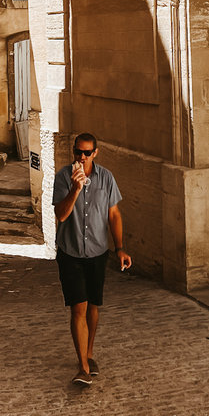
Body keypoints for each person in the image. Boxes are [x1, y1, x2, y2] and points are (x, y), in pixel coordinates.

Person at [52, 132, 131, 387]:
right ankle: (83, 367)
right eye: (78, 152)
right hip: (71, 252)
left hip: (97, 252)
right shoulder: (64, 177)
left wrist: (120, 248)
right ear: (74, 152)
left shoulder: (106, 178)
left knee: (93, 306)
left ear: (95, 153)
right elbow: (61, 215)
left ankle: (89, 352)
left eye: (87, 153)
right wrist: (76, 188)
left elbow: (114, 214)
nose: (82, 157)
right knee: (79, 308)